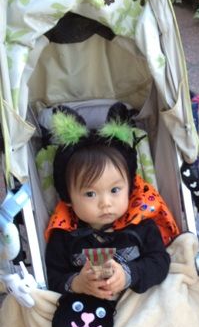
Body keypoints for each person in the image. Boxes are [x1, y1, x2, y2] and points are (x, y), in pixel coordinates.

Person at [45, 106, 175, 299]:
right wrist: (77, 283)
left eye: (115, 190)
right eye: (90, 194)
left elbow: (160, 262)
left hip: (135, 298)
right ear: (68, 198)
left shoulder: (141, 225)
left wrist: (128, 275)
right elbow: (53, 277)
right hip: (86, 305)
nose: (105, 203)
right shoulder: (64, 236)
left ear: (129, 189)